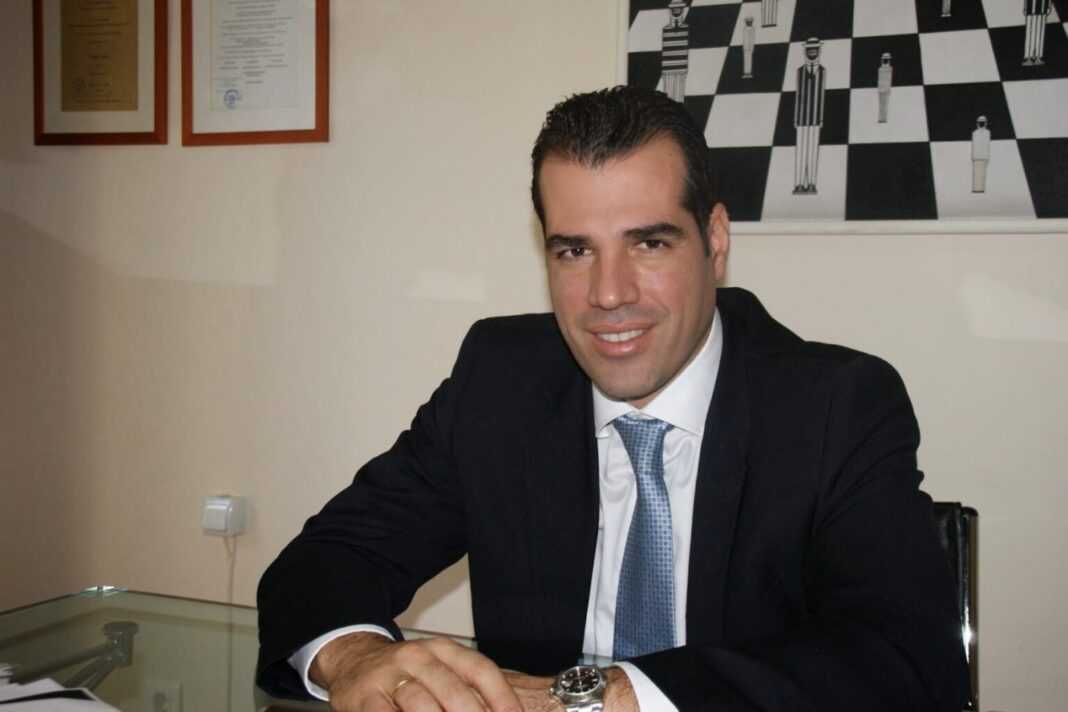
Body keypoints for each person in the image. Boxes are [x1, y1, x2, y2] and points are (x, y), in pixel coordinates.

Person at [257, 86, 969, 712]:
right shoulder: (500, 382)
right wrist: (358, 658)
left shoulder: (835, 406)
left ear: (715, 241)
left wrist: (597, 700)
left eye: (649, 244)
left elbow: (908, 663)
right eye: (574, 251)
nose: (608, 294)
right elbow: (325, 562)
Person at [794, 38, 826, 194]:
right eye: (810, 50)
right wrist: (795, 118)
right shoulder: (800, 71)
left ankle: (812, 183)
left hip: (815, 118)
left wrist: (821, 118)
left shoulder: (822, 71)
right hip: (801, 119)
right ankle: (799, 184)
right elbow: (798, 96)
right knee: (800, 152)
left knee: (813, 151)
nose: (812, 53)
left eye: (815, 50)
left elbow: (821, 97)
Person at [661, 0, 690, 102]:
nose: (677, 11)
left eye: (679, 8)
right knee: (668, 96)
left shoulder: (686, 28)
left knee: (679, 96)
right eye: (674, 9)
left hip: (681, 67)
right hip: (667, 68)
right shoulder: (665, 29)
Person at [972, 115, 991, 193]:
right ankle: (977, 189)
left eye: (982, 122)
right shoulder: (975, 133)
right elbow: (974, 145)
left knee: (981, 174)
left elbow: (986, 145)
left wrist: (987, 157)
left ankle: (980, 189)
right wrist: (973, 157)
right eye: (981, 122)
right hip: (978, 157)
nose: (981, 124)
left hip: (981, 156)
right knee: (977, 174)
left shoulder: (987, 133)